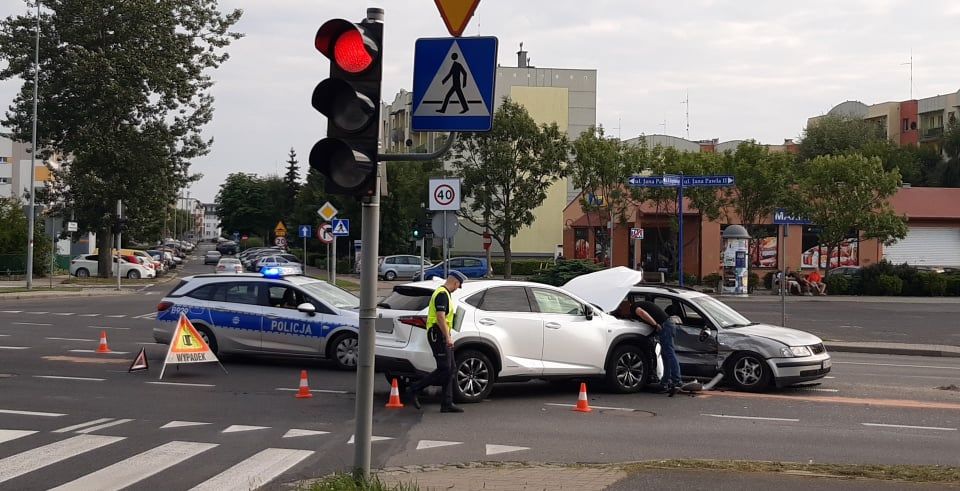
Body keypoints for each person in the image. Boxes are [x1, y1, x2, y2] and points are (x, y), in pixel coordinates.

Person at [406, 270, 468, 413]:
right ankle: (414, 388)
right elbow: (440, 317)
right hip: (438, 335)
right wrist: (447, 337)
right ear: (455, 282)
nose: (457, 288)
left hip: (441, 334)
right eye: (458, 285)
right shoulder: (442, 294)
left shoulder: (445, 294)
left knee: (451, 368)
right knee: (444, 368)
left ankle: (447, 403)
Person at [632, 301, 683, 396]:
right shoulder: (640, 304)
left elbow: (642, 313)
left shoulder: (634, 307)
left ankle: (677, 380)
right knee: (666, 356)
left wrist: (655, 325)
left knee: (669, 354)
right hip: (669, 324)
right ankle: (665, 383)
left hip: (665, 326)